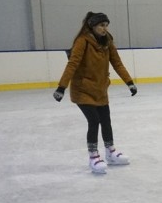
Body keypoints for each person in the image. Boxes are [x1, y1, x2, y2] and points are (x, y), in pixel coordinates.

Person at [53, 12, 138, 174]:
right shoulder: (82, 41)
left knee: (106, 120)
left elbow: (117, 63)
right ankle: (93, 157)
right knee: (94, 121)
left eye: (106, 25)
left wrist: (129, 82)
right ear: (92, 26)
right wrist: (61, 87)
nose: (104, 29)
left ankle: (111, 152)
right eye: (101, 25)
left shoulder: (108, 42)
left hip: (100, 89)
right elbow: (73, 64)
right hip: (83, 90)